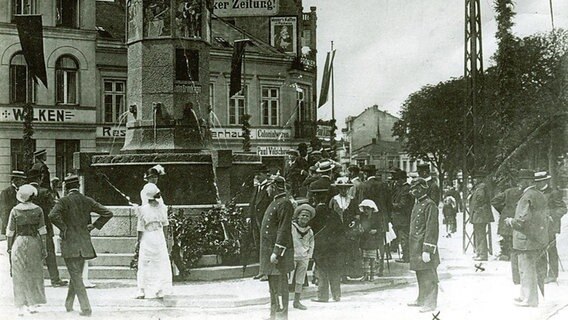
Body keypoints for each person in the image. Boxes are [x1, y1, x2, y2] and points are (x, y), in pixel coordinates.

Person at [49, 175, 113, 317]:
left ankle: (86, 308)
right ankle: (69, 304)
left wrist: (64, 228)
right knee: (76, 274)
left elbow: (52, 215)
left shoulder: (63, 201)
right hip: (84, 243)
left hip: (70, 243)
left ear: (66, 187)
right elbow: (108, 213)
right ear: (78, 185)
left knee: (76, 276)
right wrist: (94, 225)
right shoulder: (87, 200)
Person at [504, 169, 549, 307]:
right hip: (536, 238)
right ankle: (525, 295)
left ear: (527, 181)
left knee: (526, 269)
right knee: (527, 268)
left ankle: (529, 299)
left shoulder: (526, 197)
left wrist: (511, 221)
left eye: (520, 181)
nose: (519, 183)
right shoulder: (539, 194)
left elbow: (522, 221)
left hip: (525, 240)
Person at [6, 184, 47, 316]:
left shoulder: (14, 210)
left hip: (18, 242)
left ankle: (20, 306)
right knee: (34, 272)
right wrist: (44, 247)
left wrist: (9, 247)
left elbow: (10, 232)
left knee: (19, 274)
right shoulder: (38, 210)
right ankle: (32, 304)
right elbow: (43, 231)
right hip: (34, 242)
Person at [259, 176, 294, 320]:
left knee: (280, 286)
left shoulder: (284, 203)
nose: (266, 190)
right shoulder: (275, 202)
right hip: (269, 251)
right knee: (272, 286)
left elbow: (284, 229)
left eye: (268, 187)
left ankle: (281, 315)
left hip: (278, 253)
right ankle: (274, 314)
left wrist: (276, 252)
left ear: (274, 187)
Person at [28, 168, 68, 287]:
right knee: (50, 254)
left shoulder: (22, 192)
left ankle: (32, 281)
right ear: (39, 179)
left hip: (28, 229)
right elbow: (53, 211)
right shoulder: (45, 192)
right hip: (45, 228)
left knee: (31, 254)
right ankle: (55, 279)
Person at [407, 178, 440, 313]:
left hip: (423, 246)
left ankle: (430, 303)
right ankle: (421, 299)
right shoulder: (417, 203)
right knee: (420, 273)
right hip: (415, 246)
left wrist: (427, 249)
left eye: (414, 188)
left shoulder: (430, 205)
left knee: (429, 275)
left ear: (421, 188)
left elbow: (432, 228)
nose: (412, 191)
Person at [135, 183, 172, 299]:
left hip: (148, 236)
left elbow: (140, 228)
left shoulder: (143, 210)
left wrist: (138, 241)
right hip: (159, 236)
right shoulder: (163, 208)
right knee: (160, 263)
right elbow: (165, 224)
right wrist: (165, 239)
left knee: (144, 262)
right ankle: (159, 289)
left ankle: (141, 290)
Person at [311, 185, 347, 303]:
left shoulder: (314, 214)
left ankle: (322, 296)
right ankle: (336, 295)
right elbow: (341, 231)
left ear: (315, 198)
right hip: (335, 247)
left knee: (321, 270)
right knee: (334, 269)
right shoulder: (333, 213)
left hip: (320, 247)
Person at [534, 171, 567, 284]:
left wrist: (551, 215)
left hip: (550, 226)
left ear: (544, 181)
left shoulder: (553, 192)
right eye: (536, 182)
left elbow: (563, 208)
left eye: (539, 182)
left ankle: (553, 275)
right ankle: (542, 275)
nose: (537, 184)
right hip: (537, 226)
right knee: (540, 250)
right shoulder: (535, 192)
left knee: (551, 250)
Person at [329, 177, 360, 280]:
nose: (343, 190)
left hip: (349, 230)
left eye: (345, 188)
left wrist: (354, 222)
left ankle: (346, 274)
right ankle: (338, 274)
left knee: (348, 252)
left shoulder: (352, 199)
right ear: (338, 189)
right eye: (341, 188)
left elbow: (357, 215)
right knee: (337, 252)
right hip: (336, 230)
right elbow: (329, 214)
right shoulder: (334, 200)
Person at [361, 166, 390, 276]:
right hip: (382, 217)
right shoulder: (383, 184)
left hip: (369, 218)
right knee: (381, 243)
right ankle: (380, 269)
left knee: (367, 243)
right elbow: (388, 203)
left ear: (366, 174)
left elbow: (362, 203)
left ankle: (368, 269)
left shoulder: (364, 185)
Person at [248, 165, 272, 280]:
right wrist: (249, 216)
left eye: (259, 174)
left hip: (265, 220)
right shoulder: (257, 187)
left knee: (267, 246)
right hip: (256, 220)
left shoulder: (269, 187)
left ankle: (268, 272)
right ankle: (262, 270)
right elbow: (252, 203)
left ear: (264, 174)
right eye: (256, 174)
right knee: (259, 245)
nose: (256, 177)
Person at [491, 181, 523, 267]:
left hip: (507, 214)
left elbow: (494, 201)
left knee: (506, 235)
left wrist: (503, 209)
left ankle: (506, 254)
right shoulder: (525, 192)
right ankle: (515, 254)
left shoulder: (508, 191)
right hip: (519, 215)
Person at [290, 204, 315, 311]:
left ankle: (297, 301)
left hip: (303, 257)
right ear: (298, 216)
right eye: (303, 215)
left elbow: (311, 244)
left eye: (307, 216)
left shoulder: (309, 231)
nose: (304, 218)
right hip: (292, 256)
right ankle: (282, 302)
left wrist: (309, 256)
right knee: (288, 279)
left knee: (299, 280)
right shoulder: (292, 227)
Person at [469, 172, 494, 261]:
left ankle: (482, 254)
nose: (474, 179)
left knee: (481, 235)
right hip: (479, 215)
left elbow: (480, 199)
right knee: (479, 234)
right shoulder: (479, 187)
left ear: (480, 179)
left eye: (476, 178)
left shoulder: (481, 187)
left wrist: (475, 208)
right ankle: (479, 252)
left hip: (480, 215)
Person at [391, 170, 413, 262]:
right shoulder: (399, 188)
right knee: (402, 237)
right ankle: (405, 255)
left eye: (398, 179)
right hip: (399, 217)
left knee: (404, 237)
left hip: (403, 217)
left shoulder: (406, 189)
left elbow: (402, 204)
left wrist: (391, 205)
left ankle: (406, 257)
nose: (396, 181)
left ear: (402, 179)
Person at [358, 199, 381, 281]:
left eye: (368, 209)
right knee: (365, 259)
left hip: (372, 241)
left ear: (372, 209)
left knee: (372, 259)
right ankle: (365, 274)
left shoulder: (376, 218)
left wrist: (376, 231)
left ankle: (372, 275)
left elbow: (380, 228)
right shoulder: (362, 217)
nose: (366, 211)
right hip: (364, 239)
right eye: (364, 209)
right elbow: (361, 226)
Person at [1, 171, 27, 236]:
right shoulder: (6, 192)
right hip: (10, 224)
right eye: (22, 180)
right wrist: (7, 226)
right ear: (15, 180)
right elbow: (4, 211)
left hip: (21, 225)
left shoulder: (23, 191)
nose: (23, 182)